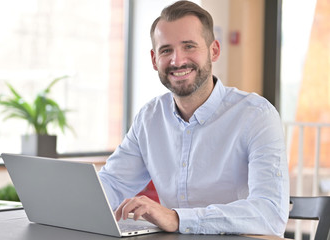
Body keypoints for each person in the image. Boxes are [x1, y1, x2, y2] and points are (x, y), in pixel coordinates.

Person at [98, 0, 289, 237]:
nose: (177, 61)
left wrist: (177, 218)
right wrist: (61, 202)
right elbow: (112, 184)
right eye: (166, 50)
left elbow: (270, 214)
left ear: (214, 51)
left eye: (189, 46)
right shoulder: (149, 118)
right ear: (154, 59)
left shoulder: (257, 115)